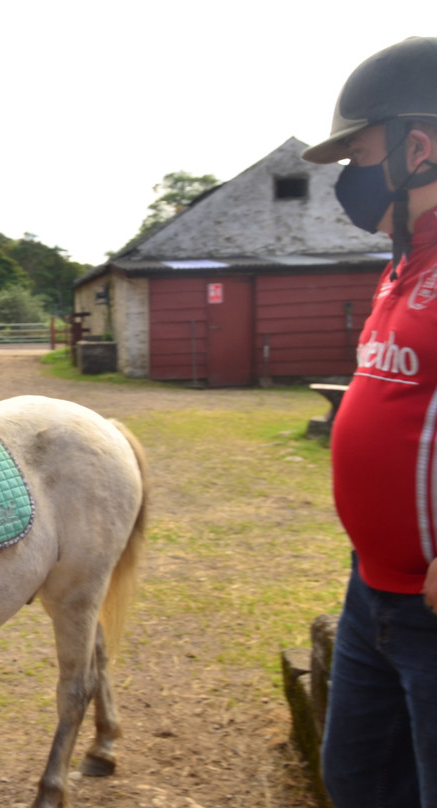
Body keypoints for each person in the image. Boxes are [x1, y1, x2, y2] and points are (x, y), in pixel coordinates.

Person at [302, 36, 437, 808]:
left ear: (418, 148)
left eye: (359, 157)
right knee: (355, 782)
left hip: (431, 610)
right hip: (370, 592)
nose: (350, 180)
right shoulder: (402, 263)